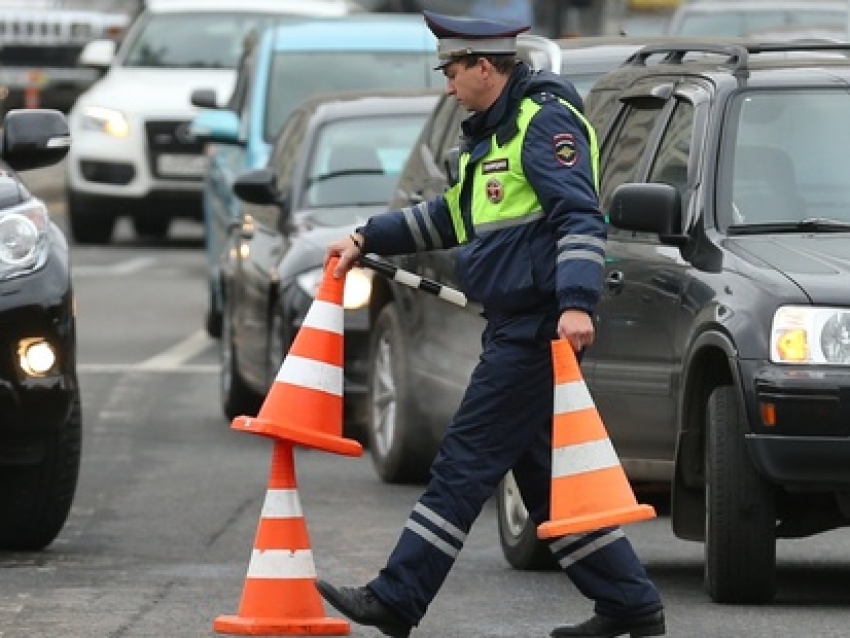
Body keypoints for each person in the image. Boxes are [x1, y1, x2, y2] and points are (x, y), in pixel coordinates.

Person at [316, 10, 665, 638]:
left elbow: (580, 217)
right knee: (549, 483)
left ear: (484, 66)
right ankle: (629, 603)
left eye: (452, 71)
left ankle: (397, 598)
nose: (448, 85)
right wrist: (367, 237)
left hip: (537, 331)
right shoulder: (490, 138)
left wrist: (576, 301)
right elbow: (451, 217)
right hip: (513, 325)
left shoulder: (543, 122)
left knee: (463, 462)